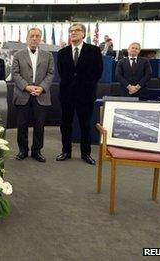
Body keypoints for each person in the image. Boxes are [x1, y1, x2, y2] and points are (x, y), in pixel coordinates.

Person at [56, 23, 103, 165]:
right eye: (71, 31)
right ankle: (66, 151)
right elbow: (62, 73)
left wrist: (86, 85)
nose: (73, 33)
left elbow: (98, 72)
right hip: (67, 95)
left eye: (77, 30)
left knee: (85, 125)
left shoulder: (94, 50)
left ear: (83, 34)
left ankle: (86, 153)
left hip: (85, 95)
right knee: (65, 124)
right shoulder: (62, 53)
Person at [12, 27, 54, 162]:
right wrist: (27, 87)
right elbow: (15, 73)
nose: (34, 38)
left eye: (37, 36)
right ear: (27, 38)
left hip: (41, 95)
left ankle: (37, 151)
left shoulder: (48, 56)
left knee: (39, 125)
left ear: (40, 38)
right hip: (23, 94)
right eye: (32, 36)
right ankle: (22, 150)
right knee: (22, 125)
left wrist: (41, 88)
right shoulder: (18, 55)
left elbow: (50, 73)